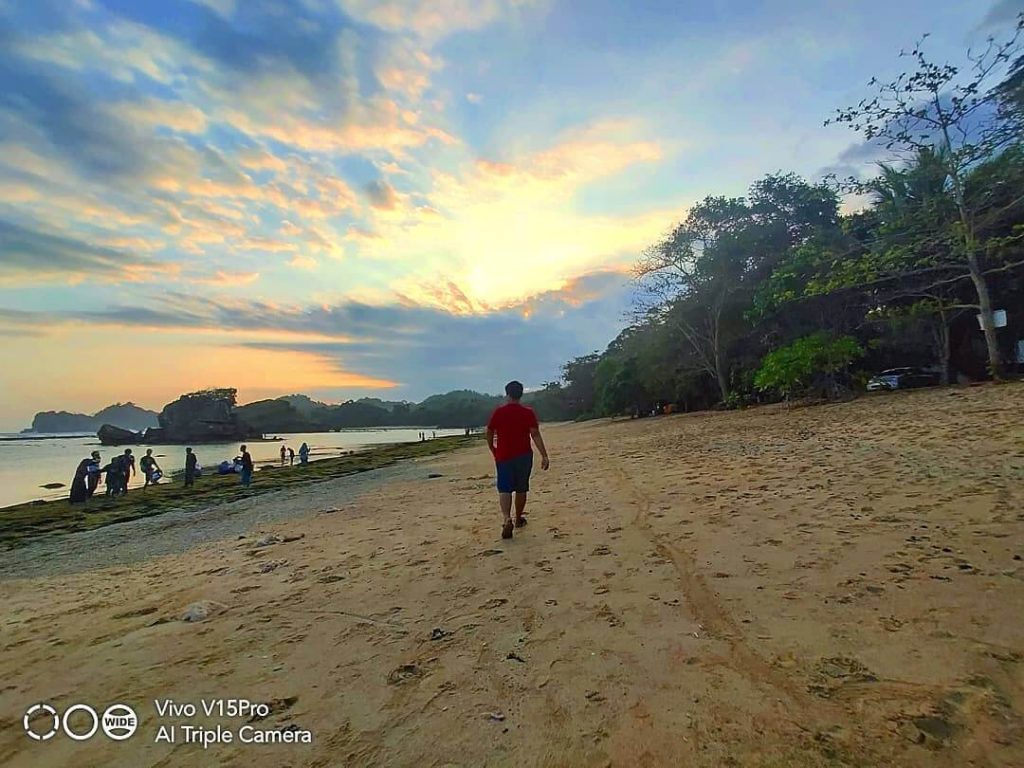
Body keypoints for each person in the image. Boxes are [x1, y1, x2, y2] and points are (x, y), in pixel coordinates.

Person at [486, 380, 549, 540]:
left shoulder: (499, 412)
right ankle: (518, 518)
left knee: (504, 488)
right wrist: (544, 455)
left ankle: (507, 518)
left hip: (504, 455)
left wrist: (492, 448)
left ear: (507, 394)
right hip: (523, 455)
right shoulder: (528, 412)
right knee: (522, 488)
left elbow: (489, 431)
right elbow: (535, 434)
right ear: (521, 394)